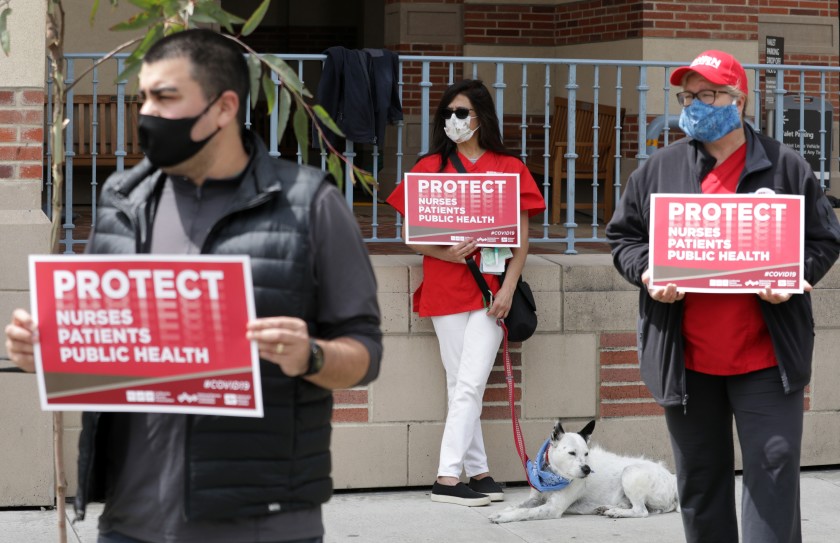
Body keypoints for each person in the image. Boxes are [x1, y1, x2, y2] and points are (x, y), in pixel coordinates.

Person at [4, 29, 382, 543]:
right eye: (143, 97)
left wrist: (309, 355)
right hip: (130, 523)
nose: (146, 113)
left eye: (165, 97)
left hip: (261, 523)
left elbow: (365, 352)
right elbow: (111, 344)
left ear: (224, 107)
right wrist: (48, 349)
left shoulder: (309, 204)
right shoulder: (122, 197)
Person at [606, 50, 840, 543]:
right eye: (688, 96)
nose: (695, 105)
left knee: (773, 477)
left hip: (766, 359)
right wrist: (647, 273)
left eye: (707, 94)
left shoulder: (785, 165)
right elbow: (624, 239)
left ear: (739, 99)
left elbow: (824, 239)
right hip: (687, 361)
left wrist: (794, 276)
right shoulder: (659, 169)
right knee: (701, 484)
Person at [385, 79, 545, 507]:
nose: (453, 121)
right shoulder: (430, 166)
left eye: (462, 113)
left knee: (469, 382)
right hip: (445, 286)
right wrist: (450, 254)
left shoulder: (510, 166)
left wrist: (509, 289)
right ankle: (477, 471)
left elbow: (522, 240)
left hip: (494, 292)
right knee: (462, 383)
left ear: (481, 117)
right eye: (448, 114)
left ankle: (447, 477)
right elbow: (412, 237)